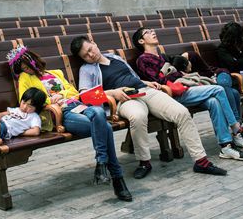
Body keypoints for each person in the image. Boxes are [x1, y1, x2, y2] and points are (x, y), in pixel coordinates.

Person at [71, 36, 228, 180]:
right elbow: (86, 96)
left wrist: (146, 82)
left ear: (94, 43)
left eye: (90, 49)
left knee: (181, 112)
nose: (90, 55)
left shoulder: (115, 58)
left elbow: (134, 77)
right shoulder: (87, 69)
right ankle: (144, 162)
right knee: (138, 117)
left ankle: (201, 161)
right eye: (85, 55)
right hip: (124, 100)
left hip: (145, 90)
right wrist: (113, 93)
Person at [9, 45, 132, 201]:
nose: (27, 70)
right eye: (23, 68)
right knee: (105, 126)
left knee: (99, 112)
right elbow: (27, 99)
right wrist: (49, 100)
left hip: (77, 105)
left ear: (35, 61)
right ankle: (117, 178)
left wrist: (61, 94)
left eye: (28, 66)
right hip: (61, 114)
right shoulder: (25, 78)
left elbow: (73, 92)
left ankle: (102, 163)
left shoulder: (56, 73)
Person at [132, 28, 243, 162]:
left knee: (214, 101)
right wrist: (176, 75)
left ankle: (225, 146)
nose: (153, 32)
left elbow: (174, 73)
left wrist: (177, 74)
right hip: (170, 96)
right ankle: (236, 129)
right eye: (147, 32)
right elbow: (158, 81)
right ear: (141, 41)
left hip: (183, 90)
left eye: (152, 30)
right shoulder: (143, 59)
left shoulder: (161, 56)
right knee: (218, 89)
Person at [173, 52, 243, 150]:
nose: (187, 61)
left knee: (222, 87)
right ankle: (237, 132)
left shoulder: (192, 60)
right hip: (210, 85)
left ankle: (237, 131)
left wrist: (183, 58)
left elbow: (189, 55)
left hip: (220, 74)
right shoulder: (183, 73)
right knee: (234, 93)